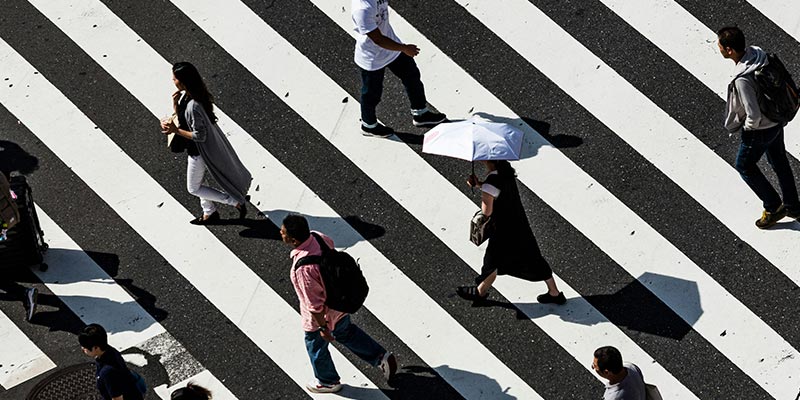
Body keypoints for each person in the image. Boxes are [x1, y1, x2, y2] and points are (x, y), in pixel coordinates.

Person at [280, 214, 396, 393]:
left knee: (315, 345)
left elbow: (314, 304)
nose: (281, 232)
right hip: (339, 302)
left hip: (323, 315)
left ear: (293, 240)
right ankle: (380, 357)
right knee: (346, 332)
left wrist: (322, 328)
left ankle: (328, 381)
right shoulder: (317, 236)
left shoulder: (304, 269)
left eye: (283, 232)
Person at [718, 26, 800, 228]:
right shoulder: (759, 56)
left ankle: (773, 207)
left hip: (760, 130)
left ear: (729, 50)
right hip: (777, 120)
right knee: (780, 162)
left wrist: (747, 129)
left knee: (744, 166)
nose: (718, 48)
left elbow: (752, 115)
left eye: (720, 45)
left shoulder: (743, 80)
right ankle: (793, 206)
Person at [456, 160, 566, 305]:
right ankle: (554, 292)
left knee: (492, 262)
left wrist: (483, 192)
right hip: (518, 223)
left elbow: (486, 212)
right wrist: (480, 185)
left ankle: (480, 292)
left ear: (489, 161)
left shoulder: (491, 184)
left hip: (502, 230)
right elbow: (498, 191)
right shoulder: (506, 173)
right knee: (534, 257)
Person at [161, 62, 252, 225]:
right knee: (200, 182)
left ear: (183, 81)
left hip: (199, 152)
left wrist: (175, 130)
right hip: (197, 150)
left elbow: (199, 135)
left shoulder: (193, 105)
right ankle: (209, 212)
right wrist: (175, 106)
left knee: (193, 188)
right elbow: (184, 119)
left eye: (175, 78)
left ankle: (234, 202)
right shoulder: (189, 95)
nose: (172, 81)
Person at [351, 0, 446, 138]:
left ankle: (420, 113)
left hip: (391, 48)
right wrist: (404, 48)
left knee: (412, 76)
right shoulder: (362, 10)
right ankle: (368, 125)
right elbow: (378, 39)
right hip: (373, 57)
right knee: (371, 94)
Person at [79, 323, 143, 400]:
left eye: (85, 347)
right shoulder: (111, 351)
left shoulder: (108, 372)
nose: (82, 349)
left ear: (96, 347)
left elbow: (117, 398)